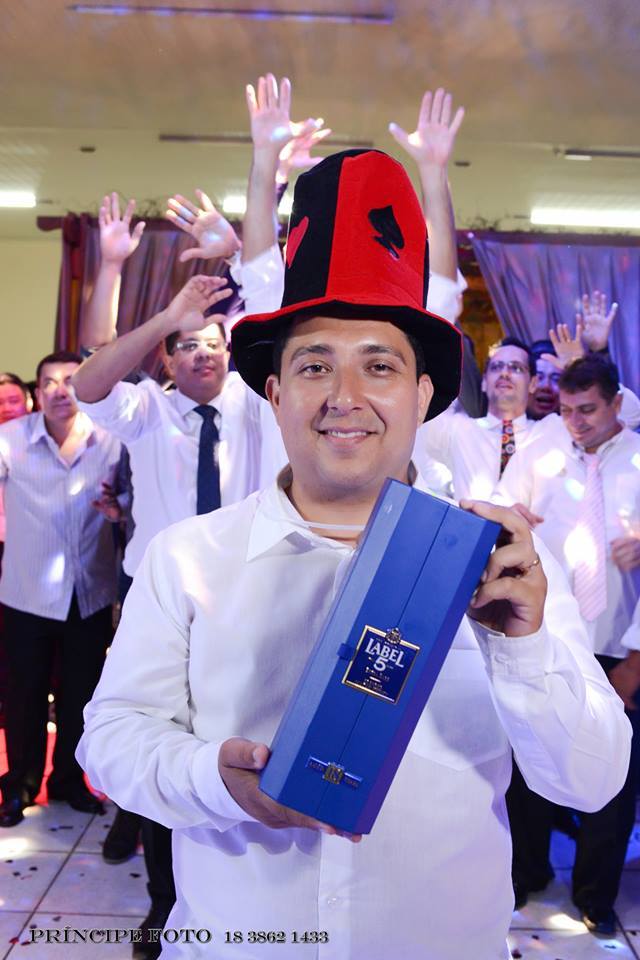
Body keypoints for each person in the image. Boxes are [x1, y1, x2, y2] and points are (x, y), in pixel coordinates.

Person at [78, 144, 630, 960]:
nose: (345, 396)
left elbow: (591, 779)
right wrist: (209, 779)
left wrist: (524, 649)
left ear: (422, 395)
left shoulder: (502, 562)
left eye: (380, 365)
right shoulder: (188, 557)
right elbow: (111, 738)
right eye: (314, 365)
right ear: (274, 394)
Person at [496, 354, 640, 934]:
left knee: (613, 775)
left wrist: (635, 661)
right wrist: (511, 516)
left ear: (616, 403)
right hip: (551, 633)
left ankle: (595, 896)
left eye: (588, 410)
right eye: (567, 410)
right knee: (531, 757)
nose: (576, 422)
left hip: (619, 642)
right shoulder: (541, 451)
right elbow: (504, 511)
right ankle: (527, 872)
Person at [0, 351, 120, 827]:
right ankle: (20, 785)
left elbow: (131, 498)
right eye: (47, 382)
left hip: (90, 592)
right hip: (26, 594)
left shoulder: (111, 439)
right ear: (37, 392)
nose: (58, 390)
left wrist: (120, 508)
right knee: (23, 695)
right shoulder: (11, 439)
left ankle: (71, 782)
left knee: (81, 697)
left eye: (69, 380)